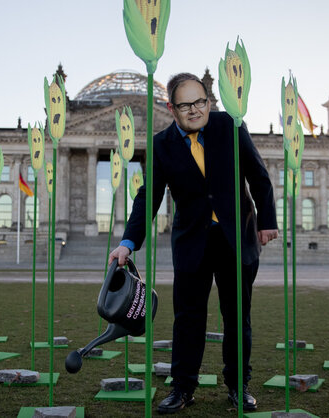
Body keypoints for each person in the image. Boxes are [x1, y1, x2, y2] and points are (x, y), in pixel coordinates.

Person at [108, 73, 278, 414]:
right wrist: (128, 241)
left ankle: (237, 386)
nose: (195, 110)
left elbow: (258, 175)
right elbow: (148, 196)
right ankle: (183, 388)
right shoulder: (161, 144)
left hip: (236, 238)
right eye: (185, 105)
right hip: (192, 243)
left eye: (200, 102)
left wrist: (267, 222)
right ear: (171, 108)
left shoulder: (231, 126)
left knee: (237, 318)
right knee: (187, 319)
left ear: (209, 101)